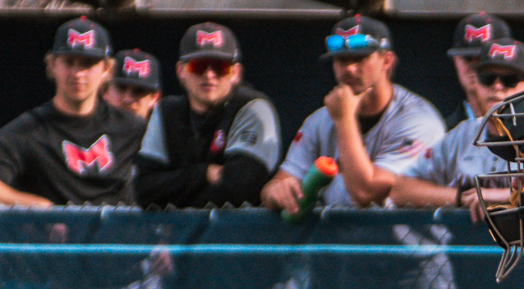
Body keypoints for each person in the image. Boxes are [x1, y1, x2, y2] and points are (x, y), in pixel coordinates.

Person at [263, 16, 445, 213]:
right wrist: (277, 191)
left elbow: (366, 194)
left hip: (408, 239)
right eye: (341, 59)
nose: (349, 68)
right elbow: (275, 185)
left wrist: (344, 120)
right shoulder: (320, 120)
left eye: (360, 58)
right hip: (342, 240)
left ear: (386, 61)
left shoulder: (419, 119)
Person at [0, 18, 146, 207]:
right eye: (69, 62)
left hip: (117, 235)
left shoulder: (132, 127)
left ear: (106, 69)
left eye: (88, 64)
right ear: (52, 65)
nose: (77, 73)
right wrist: (40, 207)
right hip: (54, 234)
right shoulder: (30, 129)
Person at [135, 22, 282, 209]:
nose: (209, 75)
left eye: (220, 67)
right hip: (180, 236)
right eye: (199, 66)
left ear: (236, 73)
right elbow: (144, 190)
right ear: (181, 71)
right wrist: (203, 173)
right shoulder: (166, 111)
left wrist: (174, 194)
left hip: (244, 232)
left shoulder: (252, 107)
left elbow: (240, 189)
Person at [391, 37, 524, 209]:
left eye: (510, 79)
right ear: (476, 81)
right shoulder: (463, 135)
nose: (497, 86)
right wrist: (461, 197)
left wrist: (501, 196)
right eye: (487, 78)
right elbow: (400, 189)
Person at [444, 12, 510, 128]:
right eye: (467, 58)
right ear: (456, 61)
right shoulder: (442, 133)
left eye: (483, 58)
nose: (474, 66)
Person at [102, 49, 161, 121]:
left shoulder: (161, 132)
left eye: (138, 91)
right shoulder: (87, 131)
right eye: (121, 88)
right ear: (105, 91)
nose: (127, 99)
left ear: (153, 98)